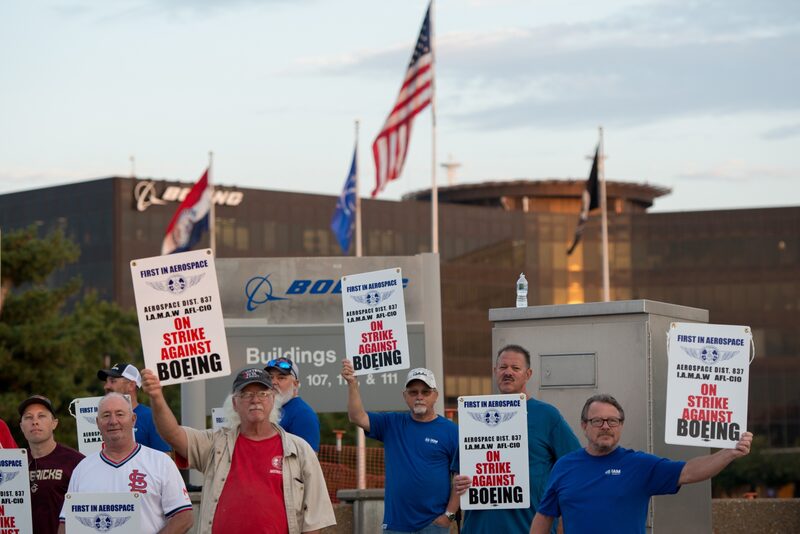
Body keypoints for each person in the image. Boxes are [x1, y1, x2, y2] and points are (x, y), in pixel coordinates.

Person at [141, 367, 336, 534]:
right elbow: (172, 434)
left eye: (262, 393)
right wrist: (157, 397)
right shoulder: (215, 443)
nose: (255, 400)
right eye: (246, 394)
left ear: (273, 399)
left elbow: (315, 519)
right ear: (235, 403)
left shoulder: (299, 450)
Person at [530, 394, 754, 534]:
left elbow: (689, 471)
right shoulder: (564, 466)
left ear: (621, 425)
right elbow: (544, 516)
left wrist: (728, 453)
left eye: (613, 421)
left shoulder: (638, 465)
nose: (606, 426)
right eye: (597, 421)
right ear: (584, 425)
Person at [454, 344, 581, 534]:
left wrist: (564, 517)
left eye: (515, 368)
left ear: (528, 374)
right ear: (494, 371)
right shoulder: (474, 413)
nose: (508, 373)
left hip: (530, 527)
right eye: (503, 367)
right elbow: (460, 470)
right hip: (479, 528)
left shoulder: (547, 415)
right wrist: (459, 482)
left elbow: (575, 466)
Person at [342, 361, 460, 533]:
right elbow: (357, 417)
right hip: (396, 526)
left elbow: (461, 476)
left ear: (435, 395)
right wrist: (352, 384)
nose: (419, 396)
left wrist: (448, 516)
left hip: (434, 525)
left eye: (425, 392)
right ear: (405, 396)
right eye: (413, 392)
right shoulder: (392, 423)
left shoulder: (451, 431)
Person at [58, 393, 193, 534]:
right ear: (97, 423)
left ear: (133, 419)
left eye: (120, 414)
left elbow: (184, 517)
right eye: (106, 415)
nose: (113, 421)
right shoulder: (82, 468)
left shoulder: (160, 462)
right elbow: (66, 523)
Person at [19, 395, 84, 534]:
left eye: (41, 416)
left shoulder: (76, 462)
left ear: (54, 423)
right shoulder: (15, 464)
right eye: (28, 417)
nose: (35, 422)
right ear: (21, 426)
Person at [98, 361, 171, 452]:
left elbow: (165, 458)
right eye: (106, 381)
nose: (106, 386)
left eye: (113, 381)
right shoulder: (100, 417)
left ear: (131, 385)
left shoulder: (151, 417)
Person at [266, 357, 321, 451]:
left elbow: (309, 460)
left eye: (281, 378)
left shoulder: (303, 414)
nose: (273, 382)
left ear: (295, 384)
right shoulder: (269, 408)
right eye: (270, 377)